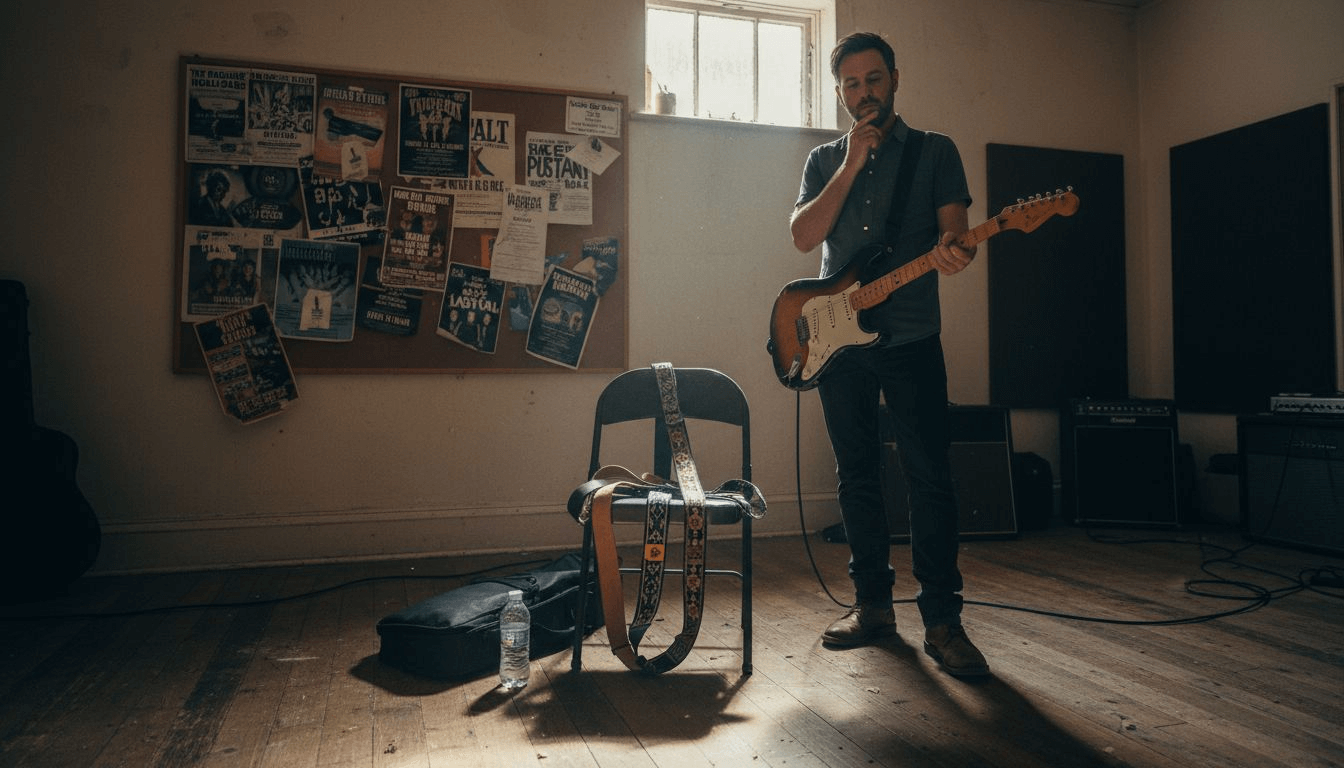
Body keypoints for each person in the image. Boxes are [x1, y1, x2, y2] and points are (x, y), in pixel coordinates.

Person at [789, 31, 987, 677]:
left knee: (929, 476)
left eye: (873, 79)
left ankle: (943, 621)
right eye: (851, 83)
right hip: (837, 343)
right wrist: (850, 165)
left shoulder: (935, 151)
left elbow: (956, 234)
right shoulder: (823, 160)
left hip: (911, 337)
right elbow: (803, 237)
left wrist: (956, 252)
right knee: (856, 475)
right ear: (840, 93)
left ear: (895, 79)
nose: (864, 92)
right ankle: (872, 607)